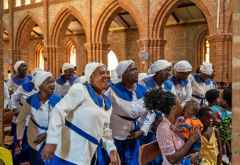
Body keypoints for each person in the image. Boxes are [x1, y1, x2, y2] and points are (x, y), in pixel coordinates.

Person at [42, 62, 120, 165]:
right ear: (91, 77)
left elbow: (105, 130)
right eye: (101, 73)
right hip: (66, 155)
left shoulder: (106, 103)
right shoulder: (81, 90)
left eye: (107, 73)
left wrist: (112, 149)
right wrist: (52, 140)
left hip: (86, 157)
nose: (106, 76)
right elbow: (58, 111)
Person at [107, 60, 151, 165]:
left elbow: (151, 112)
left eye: (136, 69)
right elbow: (104, 114)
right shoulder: (111, 91)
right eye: (132, 70)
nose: (136, 72)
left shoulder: (143, 90)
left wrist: (143, 130)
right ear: (123, 74)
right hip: (115, 137)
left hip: (135, 136)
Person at [144, 89, 200, 165]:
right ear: (174, 108)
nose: (181, 105)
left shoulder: (174, 123)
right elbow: (172, 160)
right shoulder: (164, 128)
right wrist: (192, 139)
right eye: (179, 103)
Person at [16, 71, 61, 165]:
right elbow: (21, 120)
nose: (53, 85)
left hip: (55, 140)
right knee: (36, 161)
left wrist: (46, 134)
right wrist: (19, 138)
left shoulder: (58, 101)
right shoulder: (31, 101)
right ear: (39, 85)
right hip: (34, 139)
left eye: (53, 82)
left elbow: (65, 123)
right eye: (48, 82)